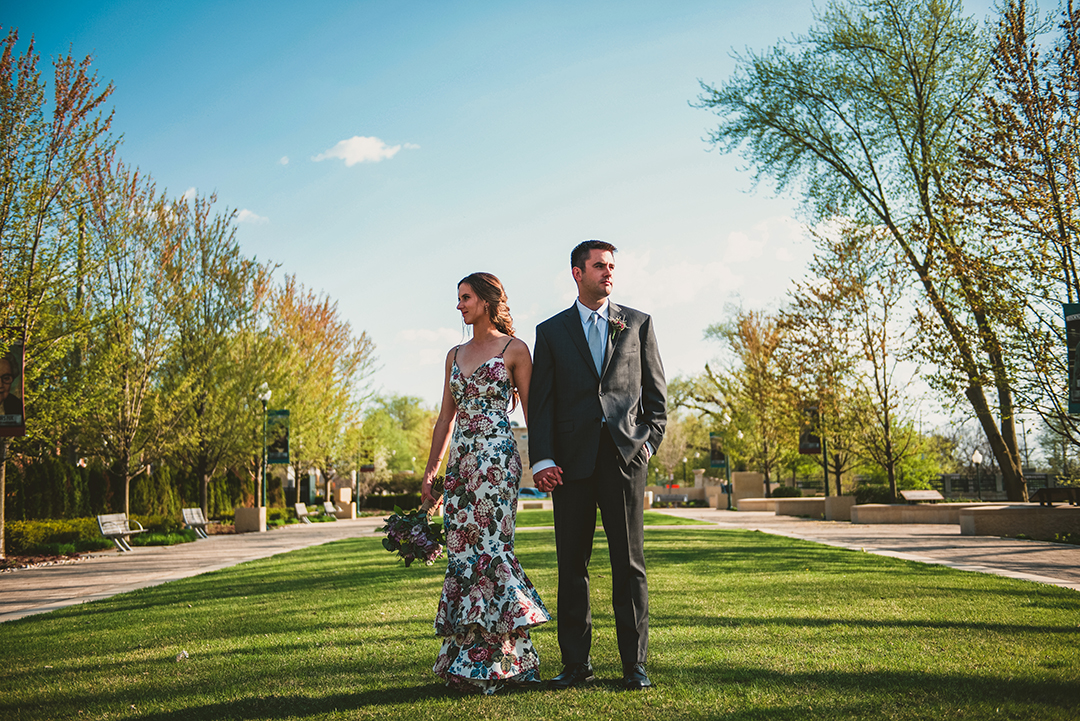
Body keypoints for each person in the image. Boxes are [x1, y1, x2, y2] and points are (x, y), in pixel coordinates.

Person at [528, 240, 667, 691]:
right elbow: (542, 403)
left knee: (628, 565)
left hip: (625, 460)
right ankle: (576, 666)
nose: (608, 273)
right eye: (599, 266)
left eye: (612, 266)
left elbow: (657, 398)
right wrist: (543, 458)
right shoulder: (550, 332)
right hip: (569, 467)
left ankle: (635, 666)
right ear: (576, 273)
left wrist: (648, 443)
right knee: (572, 565)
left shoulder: (638, 323)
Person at [420, 272, 550, 695]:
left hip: (497, 464)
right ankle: (464, 664)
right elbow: (445, 417)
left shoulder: (515, 350)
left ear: (488, 301)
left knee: (493, 552)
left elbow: (532, 413)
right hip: (460, 465)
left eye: (466, 297)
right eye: (458, 298)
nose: (459, 305)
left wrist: (544, 463)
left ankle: (507, 663)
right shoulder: (453, 354)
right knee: (464, 556)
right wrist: (431, 473)